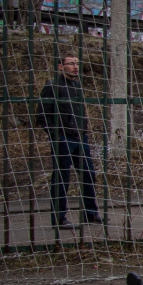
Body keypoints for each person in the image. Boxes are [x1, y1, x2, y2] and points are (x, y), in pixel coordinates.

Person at [37, 54, 100, 228]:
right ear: (60, 66)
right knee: (61, 177)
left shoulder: (77, 85)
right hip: (63, 138)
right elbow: (41, 115)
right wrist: (55, 135)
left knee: (88, 174)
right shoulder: (52, 86)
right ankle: (58, 218)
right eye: (71, 63)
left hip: (80, 137)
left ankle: (91, 213)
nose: (75, 67)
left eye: (77, 63)